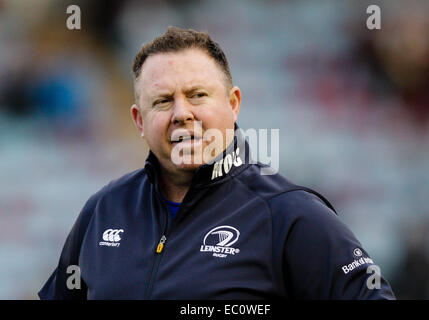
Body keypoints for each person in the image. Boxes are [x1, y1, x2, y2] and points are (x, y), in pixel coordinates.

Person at [38, 26, 395, 299]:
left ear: (233, 103)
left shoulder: (290, 215)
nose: (182, 113)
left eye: (197, 95)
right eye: (162, 101)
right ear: (139, 121)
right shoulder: (103, 211)